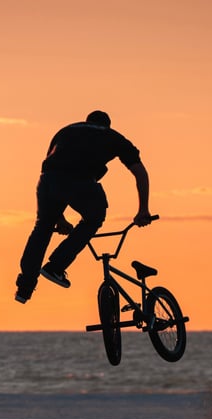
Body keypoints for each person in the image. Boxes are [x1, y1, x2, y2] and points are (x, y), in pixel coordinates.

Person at [15, 110, 153, 303]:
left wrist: (60, 218)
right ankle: (56, 266)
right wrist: (143, 210)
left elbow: (54, 169)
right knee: (94, 217)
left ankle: (25, 287)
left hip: (47, 181)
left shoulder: (66, 131)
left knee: (43, 227)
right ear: (107, 125)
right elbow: (140, 173)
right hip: (78, 181)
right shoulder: (112, 136)